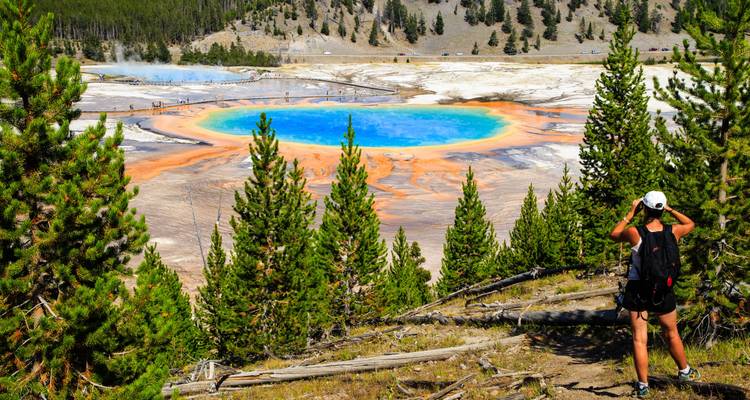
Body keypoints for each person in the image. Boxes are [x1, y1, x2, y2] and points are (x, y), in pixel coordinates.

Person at [609, 191, 701, 398]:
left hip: (638, 288)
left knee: (639, 339)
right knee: (671, 333)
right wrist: (670, 209)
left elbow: (614, 234)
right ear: (661, 209)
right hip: (663, 289)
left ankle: (643, 386)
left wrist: (630, 214)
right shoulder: (674, 231)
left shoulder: (635, 232)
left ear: (645, 208)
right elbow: (691, 224)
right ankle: (684, 372)